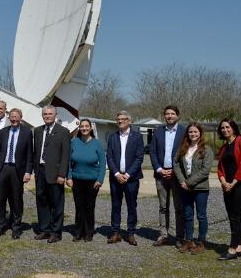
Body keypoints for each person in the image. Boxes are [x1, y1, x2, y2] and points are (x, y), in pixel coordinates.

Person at [216, 118, 241, 261]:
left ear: (233, 128)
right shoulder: (224, 147)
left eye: (227, 127)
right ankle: (239, 247)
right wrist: (224, 181)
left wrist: (234, 182)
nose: (225, 130)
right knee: (233, 217)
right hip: (227, 187)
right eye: (222, 128)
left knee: (235, 216)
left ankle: (232, 249)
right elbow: (220, 168)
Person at [173, 122, 214, 254]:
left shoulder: (207, 149)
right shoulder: (183, 148)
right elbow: (176, 164)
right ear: (187, 134)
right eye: (190, 132)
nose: (193, 134)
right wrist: (182, 181)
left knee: (201, 216)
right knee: (188, 215)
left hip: (200, 188)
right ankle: (189, 241)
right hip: (185, 188)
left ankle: (201, 242)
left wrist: (189, 182)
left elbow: (205, 170)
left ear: (200, 133)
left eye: (195, 132)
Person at [149, 105, 187, 247]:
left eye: (172, 114)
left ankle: (179, 237)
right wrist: (159, 169)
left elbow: (186, 153)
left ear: (177, 116)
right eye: (167, 114)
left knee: (179, 207)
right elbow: (152, 152)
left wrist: (175, 170)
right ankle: (163, 235)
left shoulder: (184, 132)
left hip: (177, 175)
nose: (169, 116)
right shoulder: (158, 132)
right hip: (161, 175)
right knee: (163, 207)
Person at [0, 108, 32, 240]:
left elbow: (29, 154)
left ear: (21, 118)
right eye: (12, 117)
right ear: (9, 118)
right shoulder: (4, 132)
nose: (14, 119)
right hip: (3, 168)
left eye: (16, 117)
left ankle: (16, 227)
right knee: (1, 198)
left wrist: (27, 171)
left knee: (16, 199)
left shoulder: (27, 133)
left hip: (17, 170)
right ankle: (1, 225)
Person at [32, 106, 71, 243]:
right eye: (45, 114)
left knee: (56, 203)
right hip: (40, 172)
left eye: (50, 114)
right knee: (41, 201)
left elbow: (65, 155)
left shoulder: (63, 132)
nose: (47, 116)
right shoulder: (37, 131)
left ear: (55, 115)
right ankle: (45, 229)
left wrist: (62, 174)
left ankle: (56, 232)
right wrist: (34, 171)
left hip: (55, 174)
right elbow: (35, 152)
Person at [106, 110, 144, 246]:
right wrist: (116, 174)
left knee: (131, 206)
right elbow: (109, 157)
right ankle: (115, 232)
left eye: (123, 119)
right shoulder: (112, 137)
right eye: (118, 119)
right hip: (116, 178)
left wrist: (127, 175)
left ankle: (131, 233)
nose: (120, 121)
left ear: (129, 121)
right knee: (115, 205)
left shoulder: (137, 137)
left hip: (131, 178)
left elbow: (139, 157)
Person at [67, 118, 105, 242]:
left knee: (89, 207)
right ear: (79, 128)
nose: (84, 128)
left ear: (90, 128)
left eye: (86, 126)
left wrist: (100, 179)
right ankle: (78, 232)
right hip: (77, 180)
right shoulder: (74, 142)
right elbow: (68, 162)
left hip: (92, 181)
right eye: (82, 126)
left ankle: (88, 232)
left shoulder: (97, 143)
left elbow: (103, 163)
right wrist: (69, 177)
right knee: (79, 207)